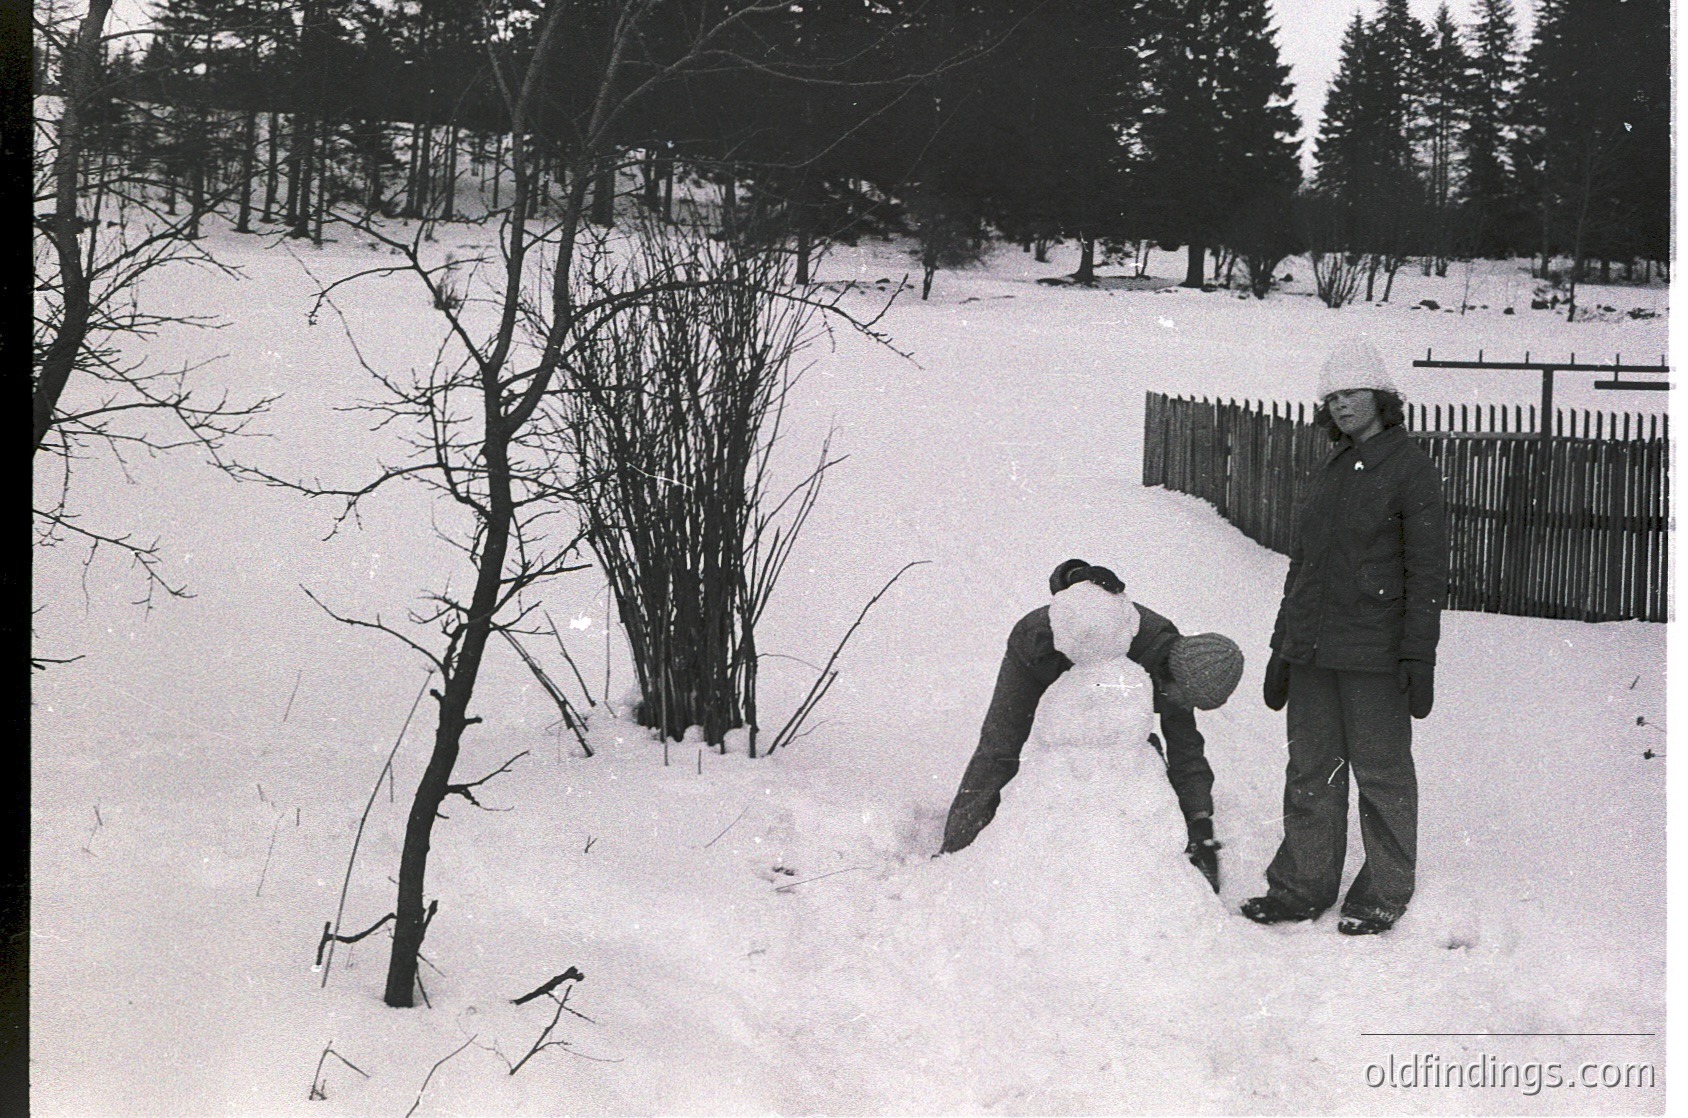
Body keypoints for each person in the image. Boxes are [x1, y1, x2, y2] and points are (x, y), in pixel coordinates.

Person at [1242, 336, 1447, 936]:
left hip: (1374, 654)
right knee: (1311, 771)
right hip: (1312, 652)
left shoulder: (1410, 468)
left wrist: (1419, 653)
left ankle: (1384, 891)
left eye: (1352, 393)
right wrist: (1283, 645)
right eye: (1331, 396)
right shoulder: (1332, 468)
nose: (1341, 405)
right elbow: (1302, 565)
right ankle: (1302, 887)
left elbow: (1426, 570)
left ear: (1383, 398)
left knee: (1381, 774)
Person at [939, 559, 1245, 891]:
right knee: (1001, 745)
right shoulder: (1127, 633)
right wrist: (1076, 575)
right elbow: (1071, 591)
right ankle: (957, 848)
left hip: (1088, 681)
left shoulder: (1181, 669)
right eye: (1188, 699)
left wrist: (1200, 822)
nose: (1186, 708)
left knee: (1138, 751)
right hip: (1038, 651)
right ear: (1174, 674)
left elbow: (1186, 750)